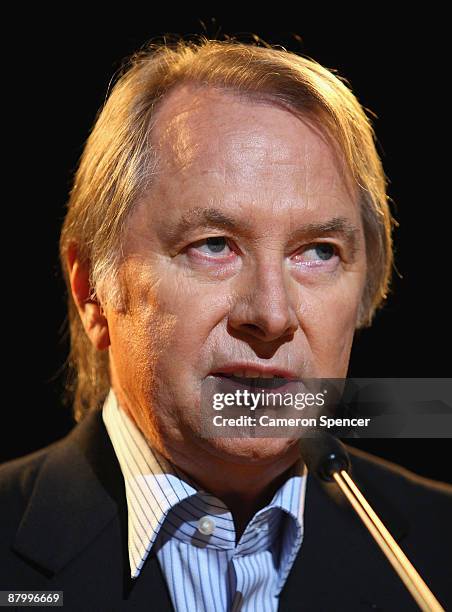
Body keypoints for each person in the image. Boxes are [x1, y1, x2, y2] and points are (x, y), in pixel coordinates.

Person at [1, 37, 451, 611]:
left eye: (318, 252)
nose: (271, 315)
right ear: (93, 290)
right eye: (214, 246)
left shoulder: (438, 555)